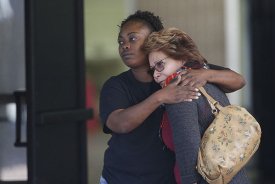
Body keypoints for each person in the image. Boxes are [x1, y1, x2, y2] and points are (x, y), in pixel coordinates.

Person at [99, 11, 246, 184]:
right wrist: (160, 96)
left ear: (153, 39)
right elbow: (119, 124)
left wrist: (207, 74)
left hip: (169, 178)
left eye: (132, 38)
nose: (124, 45)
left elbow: (238, 81)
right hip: (123, 178)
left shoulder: (180, 71)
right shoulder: (116, 85)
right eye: (121, 41)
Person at [142, 27, 251, 184]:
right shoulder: (207, 79)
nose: (155, 75)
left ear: (182, 58)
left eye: (159, 65)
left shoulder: (180, 87)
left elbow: (188, 147)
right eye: (152, 70)